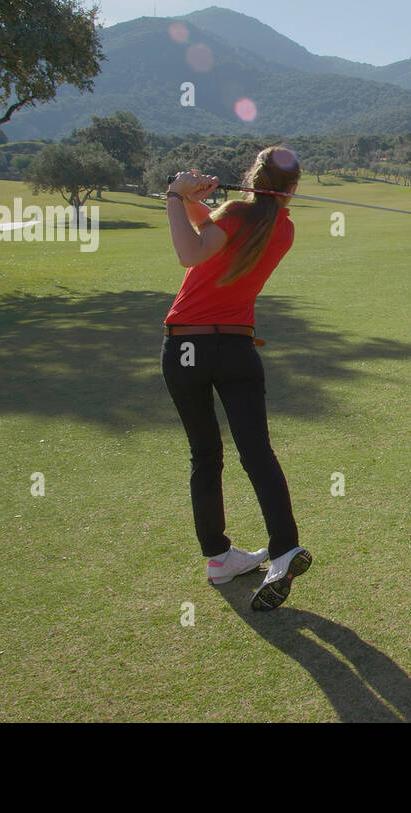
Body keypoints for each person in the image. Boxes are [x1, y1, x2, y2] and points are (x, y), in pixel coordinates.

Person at [161, 146, 312, 611]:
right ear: (292, 189)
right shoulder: (281, 229)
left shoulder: (233, 215)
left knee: (205, 455)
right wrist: (196, 201)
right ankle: (283, 547)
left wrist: (174, 195)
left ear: (252, 177)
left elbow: (192, 252)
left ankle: (218, 558)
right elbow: (214, 229)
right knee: (256, 450)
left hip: (186, 346)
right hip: (237, 348)